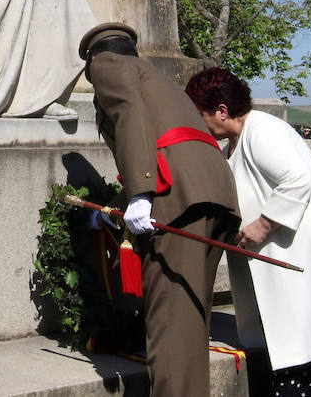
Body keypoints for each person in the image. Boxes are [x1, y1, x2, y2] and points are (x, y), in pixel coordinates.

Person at [79, 23, 240, 397]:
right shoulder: (157, 77)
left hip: (176, 196)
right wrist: (122, 202)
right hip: (210, 191)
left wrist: (141, 191)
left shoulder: (108, 64)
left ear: (93, 58)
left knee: (170, 329)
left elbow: (129, 114)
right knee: (188, 324)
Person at [185, 67, 311, 397]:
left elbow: (298, 179)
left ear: (222, 111)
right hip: (278, 267)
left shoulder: (263, 131)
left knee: (300, 358)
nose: (200, 124)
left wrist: (263, 224)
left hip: (302, 260)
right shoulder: (238, 141)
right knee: (279, 356)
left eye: (200, 115)